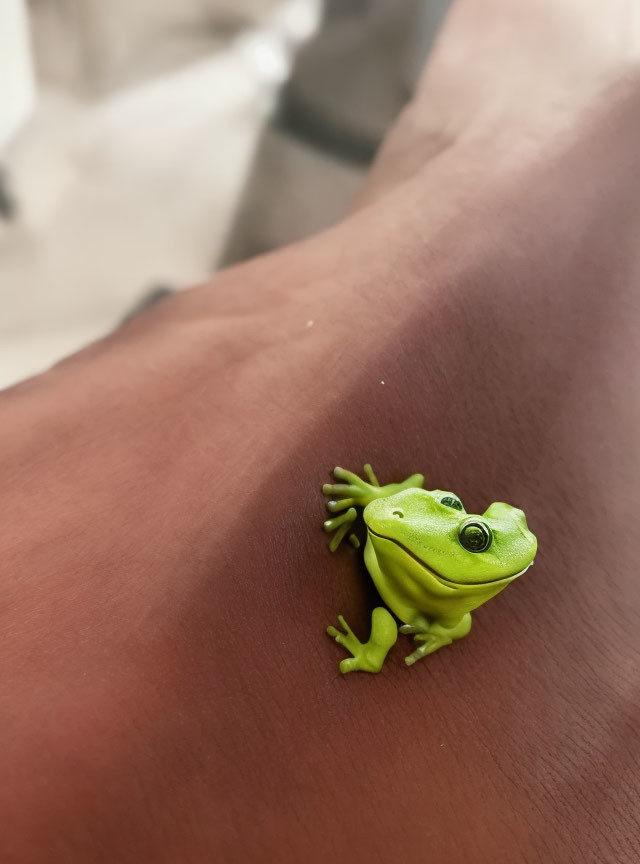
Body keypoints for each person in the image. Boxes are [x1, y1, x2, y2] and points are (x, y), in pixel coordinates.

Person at [1, 1, 638, 860]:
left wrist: (392, 639)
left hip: (436, 596)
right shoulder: (414, 515)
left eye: (476, 524)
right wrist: (382, 503)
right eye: (458, 508)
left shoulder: (453, 596)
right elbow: (407, 507)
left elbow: (391, 642)